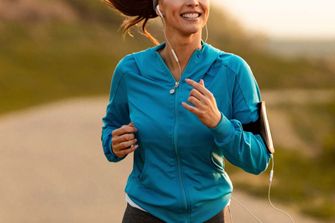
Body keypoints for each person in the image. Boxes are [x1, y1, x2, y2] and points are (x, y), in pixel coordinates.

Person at [101, 0, 271, 222]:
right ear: (158, 5)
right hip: (145, 212)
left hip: (210, 215)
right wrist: (113, 144)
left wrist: (220, 123)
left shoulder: (233, 70)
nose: (193, 2)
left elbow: (259, 159)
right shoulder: (131, 70)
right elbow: (111, 130)